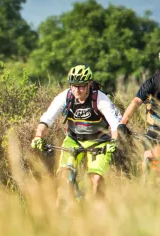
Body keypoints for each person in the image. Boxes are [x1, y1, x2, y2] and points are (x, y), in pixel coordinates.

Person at [30, 64, 122, 198]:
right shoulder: (66, 96)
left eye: (81, 86)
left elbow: (115, 124)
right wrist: (38, 136)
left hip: (98, 142)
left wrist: (114, 141)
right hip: (74, 140)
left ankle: (98, 206)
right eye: (73, 86)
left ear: (89, 84)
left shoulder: (100, 99)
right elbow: (47, 119)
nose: (76, 90)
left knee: (96, 180)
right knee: (64, 178)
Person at [117, 45, 160, 173]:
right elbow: (136, 102)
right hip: (156, 127)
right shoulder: (153, 82)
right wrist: (123, 123)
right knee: (148, 157)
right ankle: (147, 180)